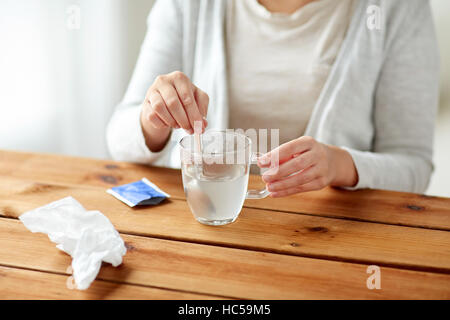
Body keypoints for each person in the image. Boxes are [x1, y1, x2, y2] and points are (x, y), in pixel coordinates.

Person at [106, 0, 439, 197]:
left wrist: (339, 165)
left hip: (330, 235)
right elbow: (119, 138)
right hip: (204, 224)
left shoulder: (397, 9)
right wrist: (154, 118)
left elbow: (413, 165)